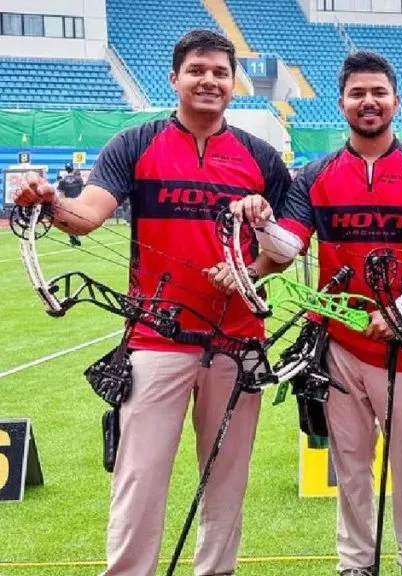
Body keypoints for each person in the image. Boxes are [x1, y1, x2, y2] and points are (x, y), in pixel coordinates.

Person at [14, 29, 291, 576]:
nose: (209, 81)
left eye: (220, 72)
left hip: (237, 340)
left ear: (233, 82)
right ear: (174, 78)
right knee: (139, 476)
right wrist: (50, 202)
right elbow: (87, 215)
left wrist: (251, 269)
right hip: (156, 338)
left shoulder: (261, 157)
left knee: (226, 479)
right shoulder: (136, 143)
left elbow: (286, 247)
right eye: (197, 70)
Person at [228, 50, 402, 576]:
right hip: (338, 346)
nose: (368, 102)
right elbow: (288, 246)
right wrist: (262, 219)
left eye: (378, 92)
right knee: (351, 466)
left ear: (396, 100)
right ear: (342, 102)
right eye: (358, 93)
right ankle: (356, 563)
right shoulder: (316, 174)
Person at [56, 162, 85, 245]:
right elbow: (83, 191)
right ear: (73, 169)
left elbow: (61, 194)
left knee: (68, 221)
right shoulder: (79, 179)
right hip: (77, 202)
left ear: (66, 169)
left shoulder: (62, 181)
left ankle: (73, 236)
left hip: (68, 203)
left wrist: (61, 204)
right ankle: (75, 235)